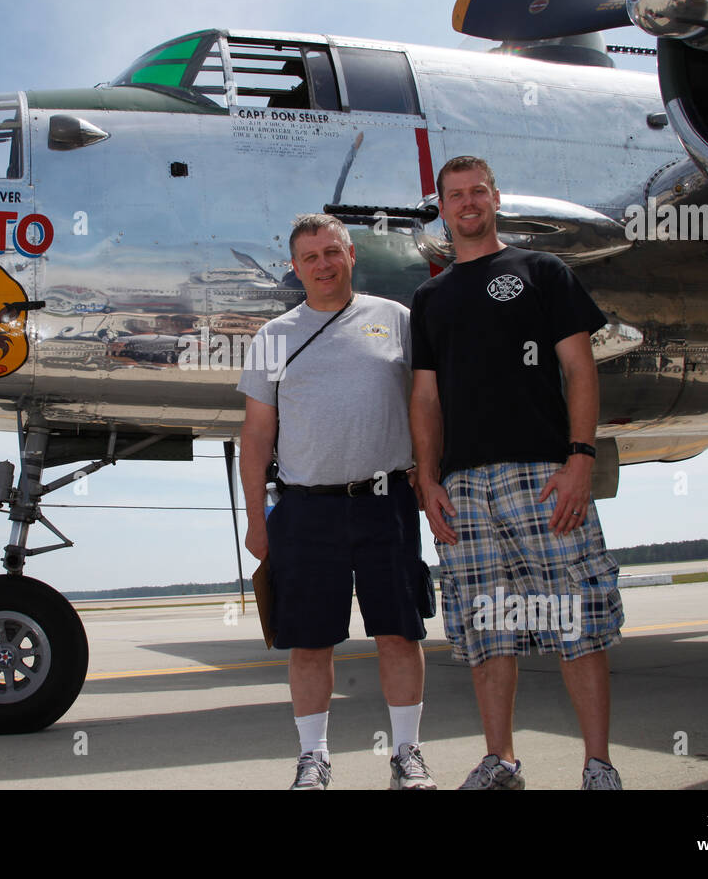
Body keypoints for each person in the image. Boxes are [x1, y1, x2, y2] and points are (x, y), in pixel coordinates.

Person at [409, 156, 624, 790]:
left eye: (478, 192)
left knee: (577, 622)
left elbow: (581, 369)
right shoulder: (430, 297)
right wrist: (427, 479)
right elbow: (425, 399)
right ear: (442, 208)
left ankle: (598, 765)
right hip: (464, 489)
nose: (467, 203)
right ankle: (500, 760)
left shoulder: (543, 271)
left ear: (496, 198)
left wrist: (580, 458)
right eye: (455, 195)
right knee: (486, 628)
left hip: (545, 475)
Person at [238, 213, 434, 790]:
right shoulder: (273, 337)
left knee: (400, 633)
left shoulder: (395, 320)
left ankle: (406, 755)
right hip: (305, 509)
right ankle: (314, 758)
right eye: (310, 258)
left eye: (331, 252)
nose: (322, 265)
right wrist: (257, 517)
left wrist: (429, 474)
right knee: (309, 641)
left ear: (350, 256)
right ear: (295, 269)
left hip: (385, 502)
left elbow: (425, 404)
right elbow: (255, 435)